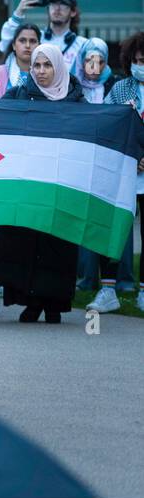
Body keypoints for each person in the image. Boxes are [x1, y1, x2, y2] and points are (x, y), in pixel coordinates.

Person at [0, 43, 86, 323]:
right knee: (25, 242)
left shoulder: (76, 99)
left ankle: (54, 303)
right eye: (37, 66)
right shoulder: (19, 95)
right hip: (27, 185)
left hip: (61, 187)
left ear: (59, 67)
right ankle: (30, 302)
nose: (41, 71)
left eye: (47, 65)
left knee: (58, 245)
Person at [93, 33, 144, 313]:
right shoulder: (121, 89)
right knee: (112, 230)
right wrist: (132, 154)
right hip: (123, 171)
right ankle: (108, 290)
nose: (139, 65)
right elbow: (108, 127)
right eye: (136, 61)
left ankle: (143, 292)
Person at [0, 0, 89, 73]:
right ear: (48, 9)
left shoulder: (83, 45)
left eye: (63, 4)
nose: (57, 8)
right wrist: (19, 11)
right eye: (53, 4)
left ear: (73, 12)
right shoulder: (35, 39)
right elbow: (6, 45)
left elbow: (94, 77)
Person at [0, 22, 40, 97]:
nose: (27, 45)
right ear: (14, 45)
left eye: (32, 41)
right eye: (22, 40)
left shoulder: (45, 73)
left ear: (39, 45)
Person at [77, 38, 112, 104]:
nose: (94, 67)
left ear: (105, 63)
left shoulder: (114, 85)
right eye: (89, 61)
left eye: (99, 62)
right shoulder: (71, 86)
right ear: (81, 61)